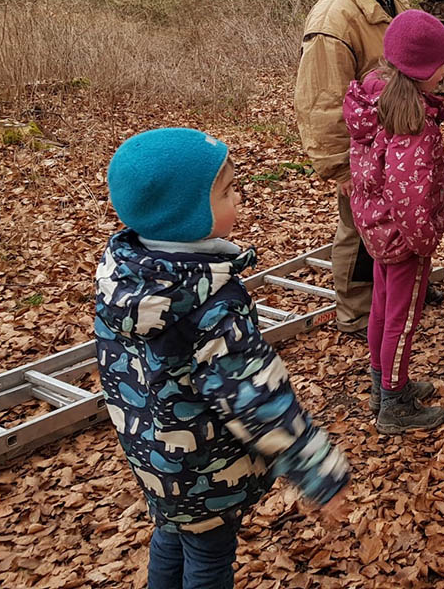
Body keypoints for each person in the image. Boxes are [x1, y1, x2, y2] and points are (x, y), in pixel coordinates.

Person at [95, 128, 351, 589]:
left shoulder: (125, 276)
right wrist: (320, 472)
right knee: (210, 562)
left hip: (152, 459)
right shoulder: (211, 304)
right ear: (186, 216)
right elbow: (257, 399)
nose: (240, 200)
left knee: (172, 535)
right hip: (206, 472)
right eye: (228, 191)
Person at [295, 0, 441, 341]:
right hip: (363, 157)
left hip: (395, 149)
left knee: (396, 224)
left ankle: (396, 293)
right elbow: (320, 101)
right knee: (359, 232)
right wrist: (341, 169)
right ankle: (357, 313)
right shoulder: (334, 20)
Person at [344, 10, 444, 434]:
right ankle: (393, 403)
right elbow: (409, 192)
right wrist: (424, 241)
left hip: (377, 230)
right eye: (442, 64)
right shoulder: (412, 122)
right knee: (401, 319)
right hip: (403, 239)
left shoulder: (374, 100)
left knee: (381, 308)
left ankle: (382, 382)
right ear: (421, 68)